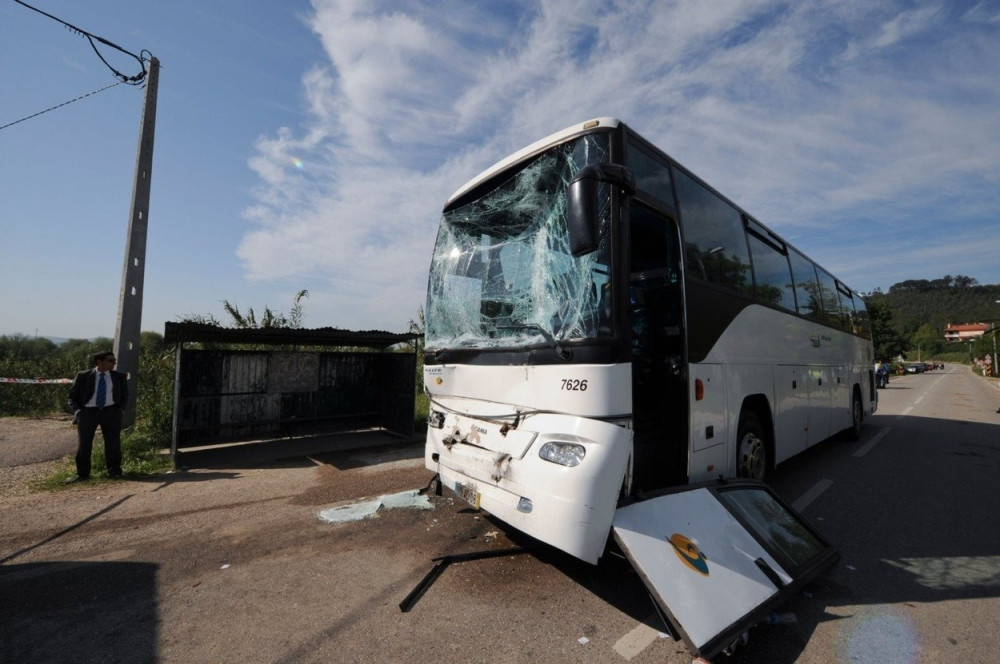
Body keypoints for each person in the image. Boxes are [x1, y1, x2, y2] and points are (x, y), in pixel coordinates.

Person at [66, 351, 129, 482]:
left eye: (114, 360)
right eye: (110, 361)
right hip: (88, 412)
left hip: (110, 412)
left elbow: (125, 395)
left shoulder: (119, 376)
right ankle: (82, 474)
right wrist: (78, 412)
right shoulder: (83, 376)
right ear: (99, 362)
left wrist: (120, 410)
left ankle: (115, 472)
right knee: (84, 444)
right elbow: (72, 396)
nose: (114, 363)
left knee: (113, 443)